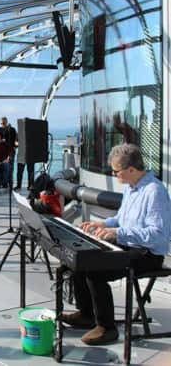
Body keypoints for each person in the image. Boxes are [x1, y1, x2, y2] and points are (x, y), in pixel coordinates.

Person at [61, 143, 171, 345]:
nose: (114, 175)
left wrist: (117, 233)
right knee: (81, 260)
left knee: (96, 272)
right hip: (129, 244)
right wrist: (102, 224)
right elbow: (121, 218)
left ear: (131, 169)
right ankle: (87, 315)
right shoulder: (131, 187)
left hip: (147, 254)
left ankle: (106, 328)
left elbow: (157, 235)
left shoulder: (155, 191)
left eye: (116, 171)